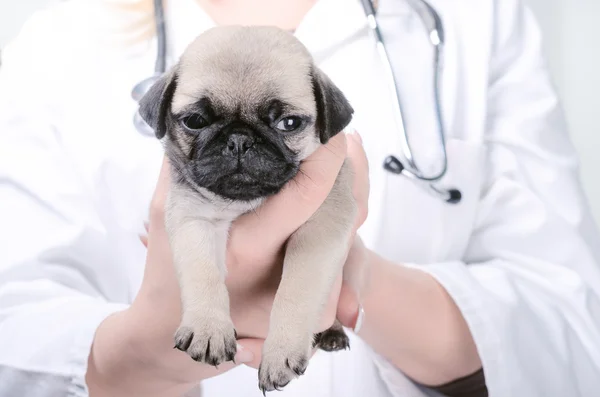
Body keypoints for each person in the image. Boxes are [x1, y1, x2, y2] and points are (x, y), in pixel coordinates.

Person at [1, 0, 600, 396]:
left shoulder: (475, 14)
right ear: (161, 112)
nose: (237, 147)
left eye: (282, 124)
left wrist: (352, 282)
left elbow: (569, 317)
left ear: (326, 116)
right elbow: (14, 323)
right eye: (199, 123)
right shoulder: (61, 35)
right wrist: (130, 352)